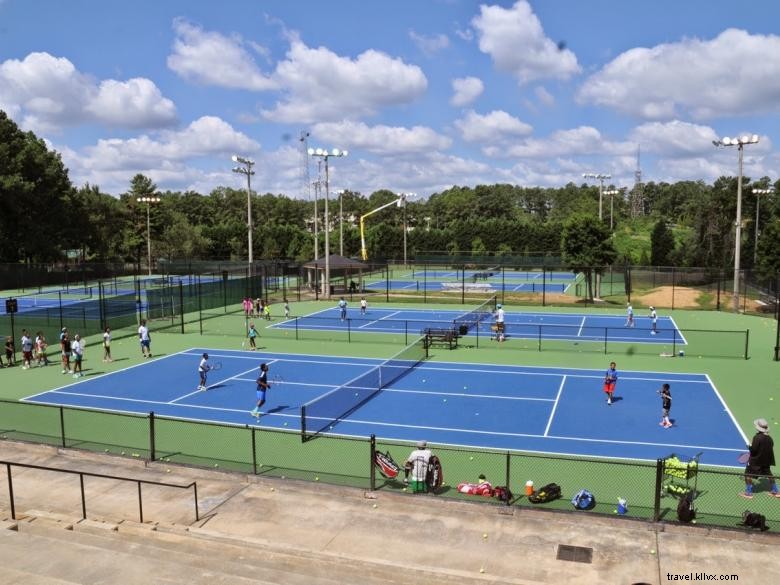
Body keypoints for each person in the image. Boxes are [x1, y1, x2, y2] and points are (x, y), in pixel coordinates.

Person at [740, 418, 780, 499]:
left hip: (756, 461)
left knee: (747, 475)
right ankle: (776, 491)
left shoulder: (757, 437)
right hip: (766, 461)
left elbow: (754, 450)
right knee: (770, 475)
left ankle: (748, 493)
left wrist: (749, 447)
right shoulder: (770, 438)